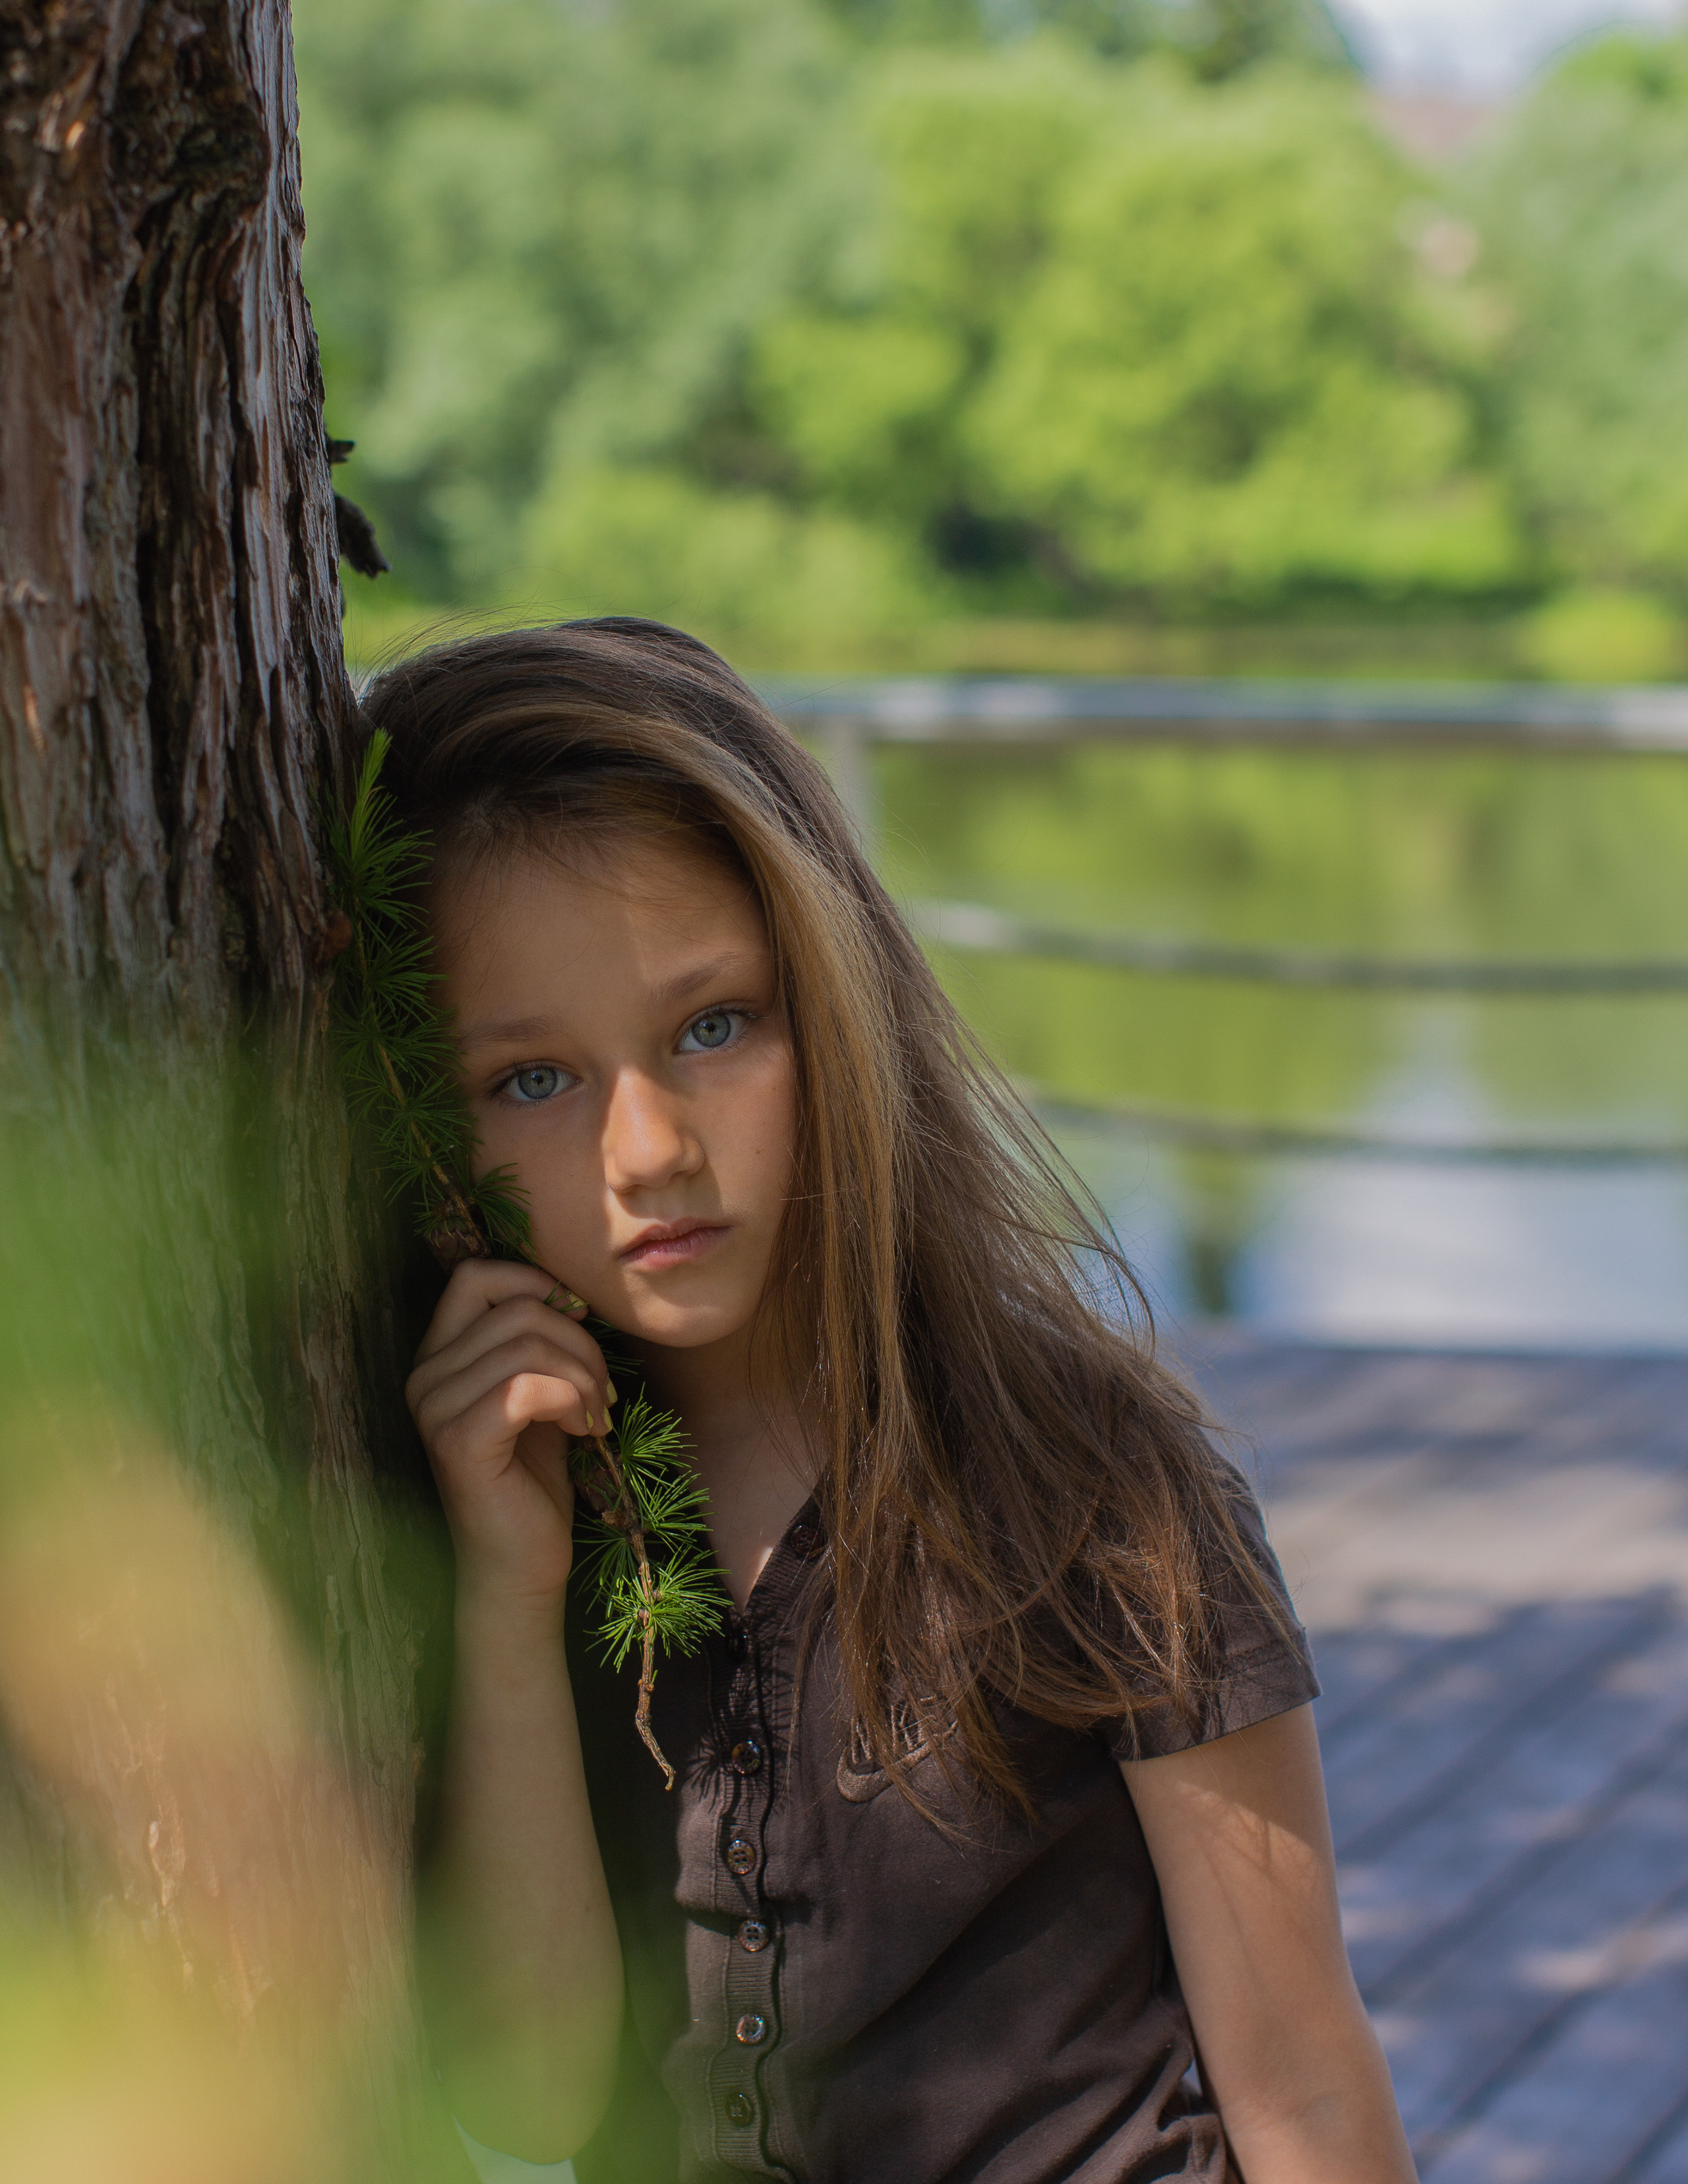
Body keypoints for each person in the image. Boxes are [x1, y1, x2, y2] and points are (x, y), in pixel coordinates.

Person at [367, 619, 1417, 2184]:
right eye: (533, 1079)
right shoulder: (473, 1502)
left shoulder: (1092, 1483)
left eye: (712, 1025)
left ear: (834, 1008)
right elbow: (529, 2101)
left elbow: (1306, 2096)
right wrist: (510, 1603)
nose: (648, 1150)